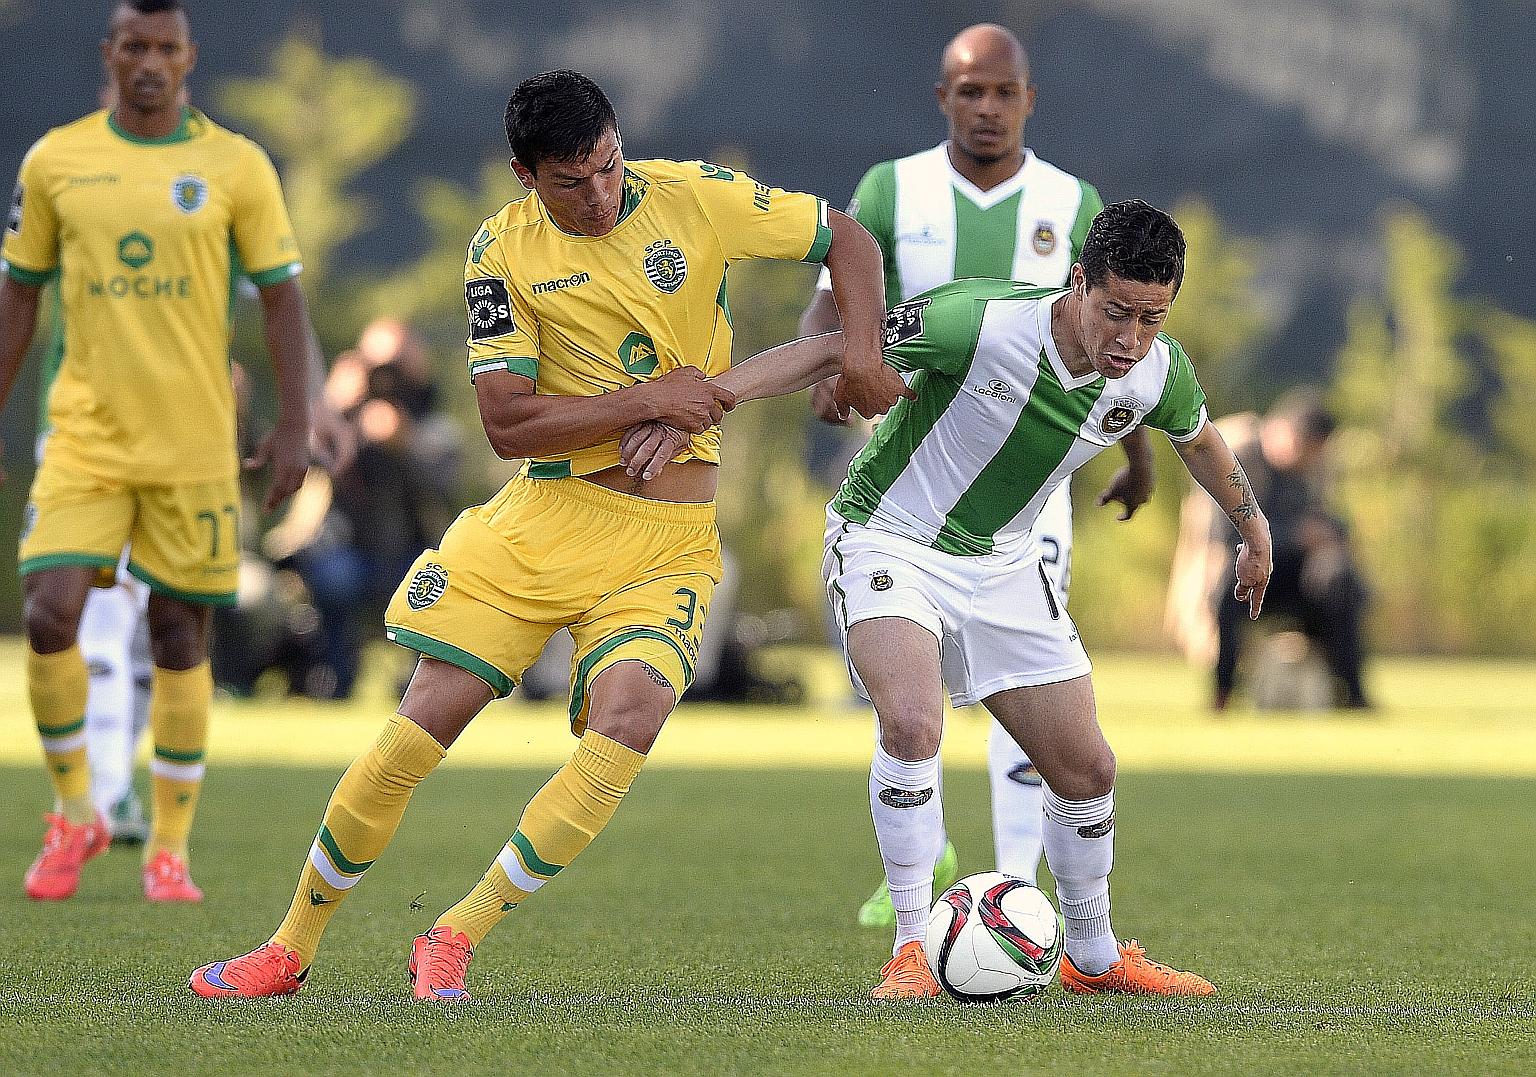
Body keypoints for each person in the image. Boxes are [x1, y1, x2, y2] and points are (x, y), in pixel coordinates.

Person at [188, 68, 905, 1001]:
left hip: (666, 540)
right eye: (573, 181)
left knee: (631, 716)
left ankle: (454, 933)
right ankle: (286, 947)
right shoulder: (500, 252)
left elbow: (847, 236)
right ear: (526, 175)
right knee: (421, 724)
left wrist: (859, 353)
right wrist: (654, 398)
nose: (600, 193)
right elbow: (508, 422)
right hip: (543, 519)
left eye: (608, 166)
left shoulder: (693, 197)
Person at [807, 200, 1270, 998]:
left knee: (1087, 768)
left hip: (1005, 564)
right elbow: (832, 348)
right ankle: (913, 948)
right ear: (1079, 281)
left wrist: (1253, 525)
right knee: (915, 722)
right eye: (1117, 311)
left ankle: (1092, 959)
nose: (1131, 338)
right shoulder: (977, 320)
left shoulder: (1159, 367)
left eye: (1151, 319)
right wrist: (711, 398)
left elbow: (1196, 437)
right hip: (891, 536)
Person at [798, 24, 1155, 926]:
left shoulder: (1071, 200)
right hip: (907, 473)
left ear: (1030, 99)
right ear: (943, 98)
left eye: (1003, 92)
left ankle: (1014, 888)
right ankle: (924, 870)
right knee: (906, 690)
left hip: (1029, 496)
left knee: (1023, 684)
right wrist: (822, 365)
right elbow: (833, 294)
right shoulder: (893, 187)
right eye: (970, 91)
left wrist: (1136, 457)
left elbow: (1121, 345)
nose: (987, 108)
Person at [0, 0, 315, 903]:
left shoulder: (235, 165)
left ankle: (168, 849)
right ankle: (74, 813)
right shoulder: (56, 161)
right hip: (86, 439)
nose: (148, 62)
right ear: (110, 54)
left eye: (164, 48)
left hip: (193, 448)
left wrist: (295, 422)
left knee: (179, 631)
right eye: (132, 46)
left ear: (189, 58)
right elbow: (18, 294)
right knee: (50, 611)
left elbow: (282, 297)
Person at [1197, 393, 1369, 710]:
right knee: (1226, 592)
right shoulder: (1239, 461)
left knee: (1341, 582)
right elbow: (1224, 533)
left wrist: (1327, 535)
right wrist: (1294, 535)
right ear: (1284, 431)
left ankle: (1352, 693)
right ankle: (1222, 693)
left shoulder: (1315, 471)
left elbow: (1337, 524)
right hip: (1250, 572)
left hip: (1298, 579)